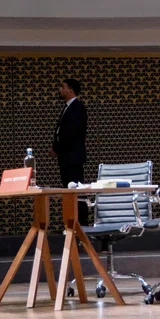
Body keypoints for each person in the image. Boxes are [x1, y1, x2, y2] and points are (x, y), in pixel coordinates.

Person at [49, 78, 88, 224]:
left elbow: (70, 133)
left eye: (62, 87)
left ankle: (81, 225)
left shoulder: (77, 108)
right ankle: (71, 224)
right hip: (66, 158)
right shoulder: (68, 108)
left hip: (73, 158)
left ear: (70, 90)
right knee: (68, 193)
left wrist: (56, 148)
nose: (60, 89)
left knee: (76, 192)